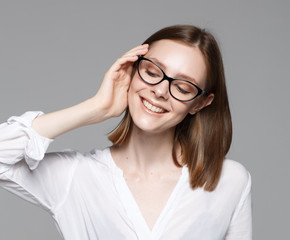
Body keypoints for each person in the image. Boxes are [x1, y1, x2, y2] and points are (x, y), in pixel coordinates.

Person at [0, 25, 252, 239]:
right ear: (132, 70)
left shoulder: (229, 180)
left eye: (183, 88)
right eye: (152, 72)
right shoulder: (75, 177)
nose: (161, 91)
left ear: (199, 103)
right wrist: (96, 108)